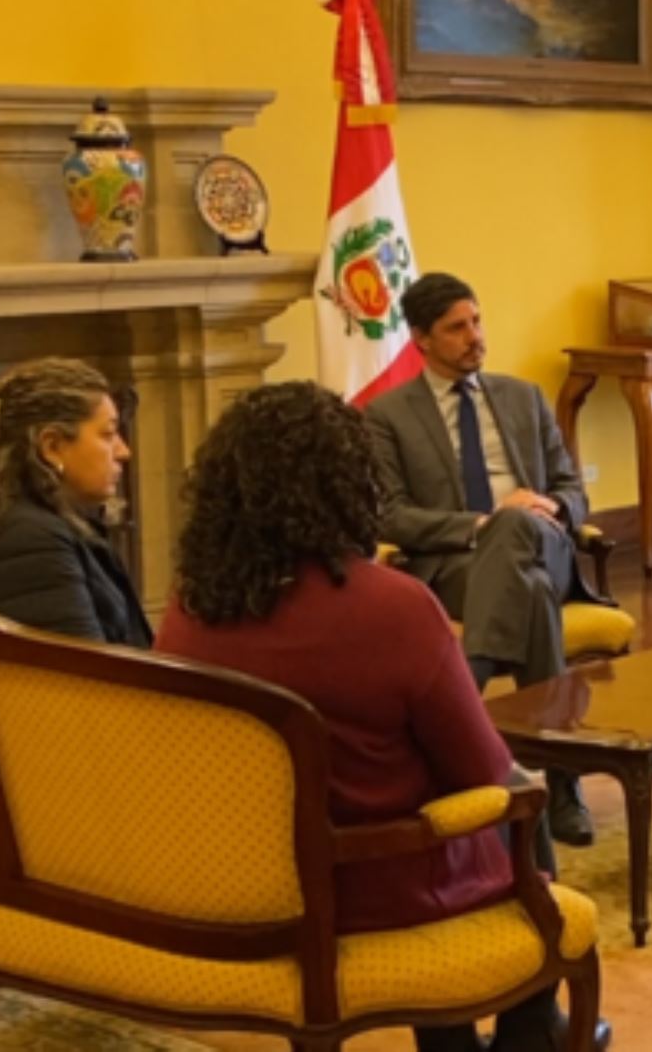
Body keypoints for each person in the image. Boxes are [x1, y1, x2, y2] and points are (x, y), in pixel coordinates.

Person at [157, 383, 609, 1052]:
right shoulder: (393, 607)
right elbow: (478, 770)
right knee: (521, 796)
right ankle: (532, 1030)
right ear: (349, 483)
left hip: (252, 879)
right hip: (380, 885)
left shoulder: (188, 608)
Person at [365, 272, 599, 845]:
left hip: (546, 543)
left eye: (477, 321)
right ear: (420, 338)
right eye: (456, 328)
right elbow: (389, 516)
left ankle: (466, 696)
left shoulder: (523, 397)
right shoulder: (388, 416)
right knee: (533, 592)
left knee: (522, 532)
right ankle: (562, 788)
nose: (475, 337)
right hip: (457, 564)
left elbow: (574, 488)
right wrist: (484, 525)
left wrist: (550, 509)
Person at [0, 357, 149, 647]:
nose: (123, 451)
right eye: (108, 434)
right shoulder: (32, 540)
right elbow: (84, 682)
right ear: (51, 447)